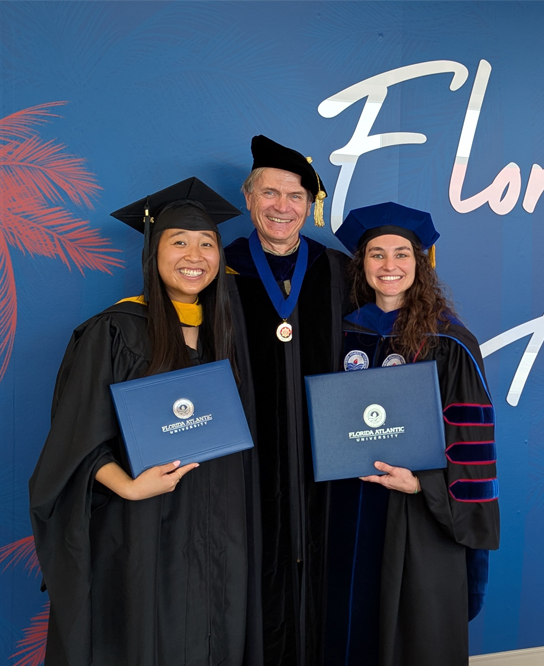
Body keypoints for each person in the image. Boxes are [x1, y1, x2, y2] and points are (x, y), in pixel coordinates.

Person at [29, 177, 262, 665]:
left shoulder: (228, 335)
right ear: (152, 253)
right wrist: (131, 488)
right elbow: (75, 438)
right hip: (144, 526)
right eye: (179, 242)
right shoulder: (116, 331)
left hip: (221, 524)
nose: (194, 256)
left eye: (207, 244)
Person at [325, 202, 501, 666]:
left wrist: (423, 484)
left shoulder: (449, 341)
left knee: (415, 637)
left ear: (419, 264)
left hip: (419, 514)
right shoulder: (344, 333)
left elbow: (472, 439)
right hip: (349, 505)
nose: (390, 265)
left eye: (402, 254)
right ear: (361, 264)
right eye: (377, 254)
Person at [223, 135, 349, 665]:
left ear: (309, 204)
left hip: (330, 457)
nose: (282, 206)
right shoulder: (220, 270)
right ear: (248, 198)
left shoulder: (336, 270)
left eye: (295, 195)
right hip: (248, 461)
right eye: (269, 193)